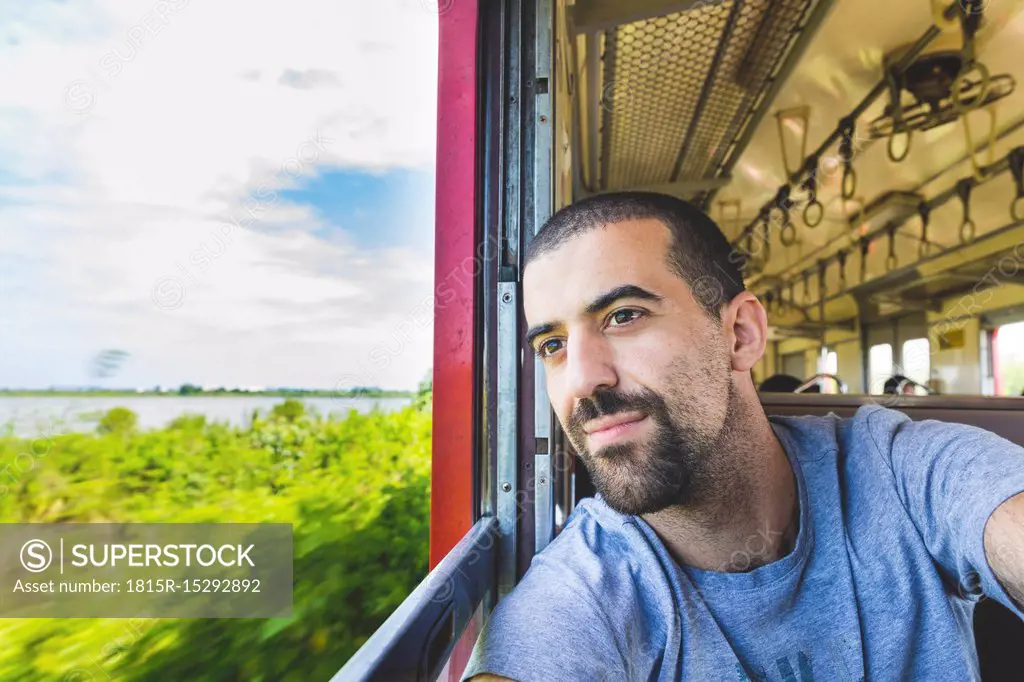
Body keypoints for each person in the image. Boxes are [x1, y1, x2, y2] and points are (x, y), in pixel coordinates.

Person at [463, 192, 1024, 681]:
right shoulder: (583, 591)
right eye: (552, 346)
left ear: (740, 334)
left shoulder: (902, 471)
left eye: (624, 315)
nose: (583, 379)